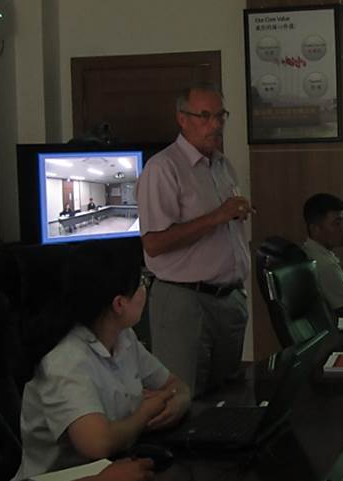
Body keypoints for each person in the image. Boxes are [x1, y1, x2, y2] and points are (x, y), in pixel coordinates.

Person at [11, 242, 190, 480]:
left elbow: (176, 385)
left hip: (116, 463)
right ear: (119, 304)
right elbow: (97, 443)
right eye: (141, 283)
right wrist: (146, 411)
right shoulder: (65, 358)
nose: (145, 289)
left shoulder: (123, 336)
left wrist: (177, 402)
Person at [137, 82, 251, 397]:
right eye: (205, 116)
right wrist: (218, 216)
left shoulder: (222, 165)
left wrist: (234, 213)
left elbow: (225, 221)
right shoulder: (163, 168)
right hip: (185, 301)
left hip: (229, 299)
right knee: (183, 400)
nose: (215, 124)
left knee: (224, 399)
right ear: (182, 119)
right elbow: (154, 243)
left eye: (220, 116)